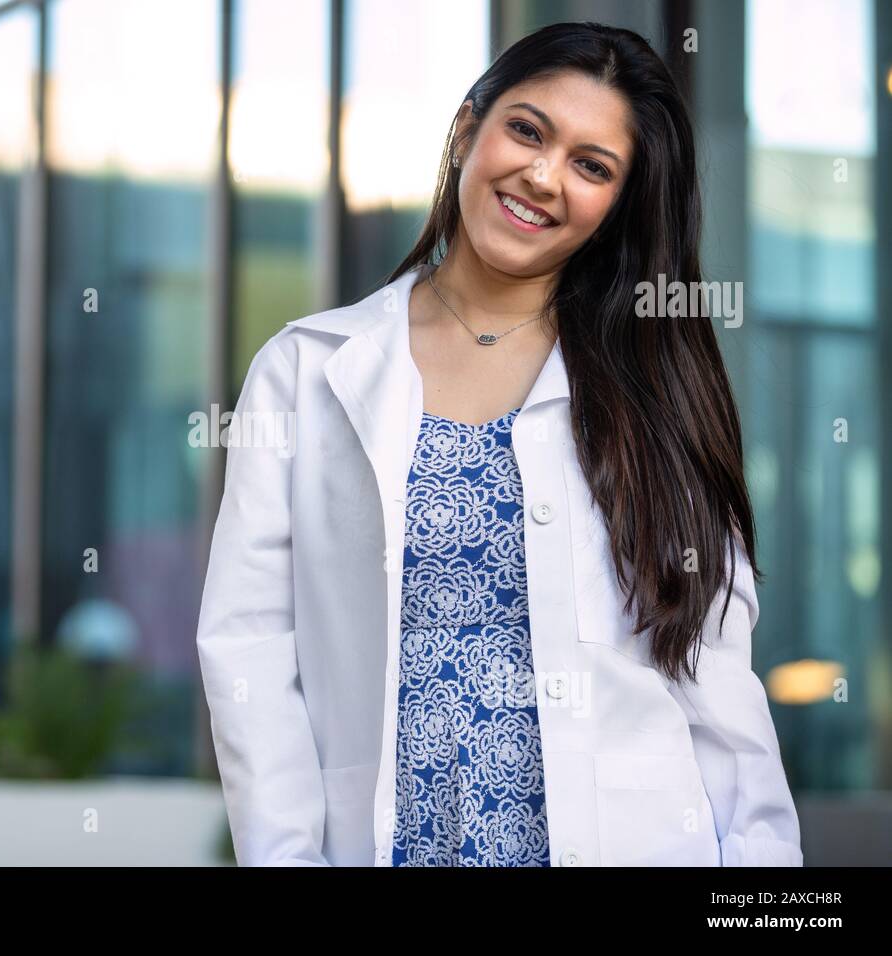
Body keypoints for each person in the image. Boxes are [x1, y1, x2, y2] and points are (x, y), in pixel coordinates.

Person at [196, 21, 803, 867]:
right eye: (527, 130)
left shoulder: (654, 394)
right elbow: (249, 653)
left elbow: (720, 693)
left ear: (616, 206)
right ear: (467, 130)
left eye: (593, 166)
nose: (544, 176)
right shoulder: (306, 371)